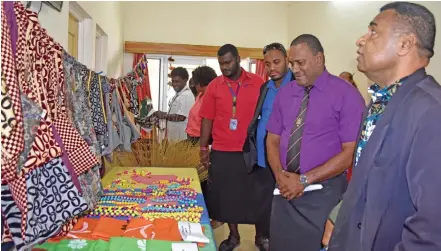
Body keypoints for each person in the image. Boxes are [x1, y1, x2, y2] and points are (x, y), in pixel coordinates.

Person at [329, 2, 441, 251]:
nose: (360, 40)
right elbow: (365, 182)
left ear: (405, 44)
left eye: (373, 32)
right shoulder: (379, 103)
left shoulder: (431, 112)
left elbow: (432, 230)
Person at [265, 34, 365, 251]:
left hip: (323, 194)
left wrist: (304, 180)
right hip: (285, 191)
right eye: (292, 63)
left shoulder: (346, 95)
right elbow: (272, 139)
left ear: (319, 58)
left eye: (301, 62)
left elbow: (350, 153)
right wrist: (279, 176)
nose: (295, 69)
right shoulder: (286, 93)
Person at [199, 44, 269, 251]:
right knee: (227, 197)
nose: (224, 67)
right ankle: (233, 236)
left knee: (256, 195)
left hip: (251, 150)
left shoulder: (258, 83)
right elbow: (207, 118)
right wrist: (203, 148)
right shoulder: (214, 86)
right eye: (221, 63)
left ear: (238, 59)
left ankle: (261, 237)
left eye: (228, 62)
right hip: (222, 150)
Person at [153, 67, 194, 142]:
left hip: (181, 139)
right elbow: (174, 114)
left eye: (177, 81)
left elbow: (181, 117)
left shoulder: (187, 95)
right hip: (173, 138)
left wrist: (163, 115)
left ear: (185, 80)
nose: (174, 84)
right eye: (173, 81)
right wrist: (161, 113)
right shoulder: (179, 94)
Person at [186, 66, 217, 144]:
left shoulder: (213, 98)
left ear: (199, 83)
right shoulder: (199, 96)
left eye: (194, 82)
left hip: (202, 140)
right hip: (191, 138)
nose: (193, 85)